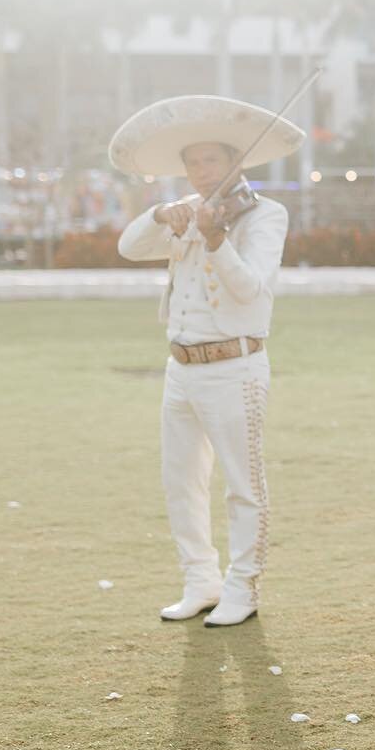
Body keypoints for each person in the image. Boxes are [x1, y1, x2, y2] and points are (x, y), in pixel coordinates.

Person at [113, 95, 300, 628]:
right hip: (180, 368)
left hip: (234, 368)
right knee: (181, 481)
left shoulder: (265, 214)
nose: (200, 172)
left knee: (244, 485)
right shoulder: (185, 212)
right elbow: (129, 247)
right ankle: (200, 580)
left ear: (236, 163)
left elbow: (250, 291)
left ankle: (243, 586)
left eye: (211, 161)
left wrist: (217, 240)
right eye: (192, 163)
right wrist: (158, 214)